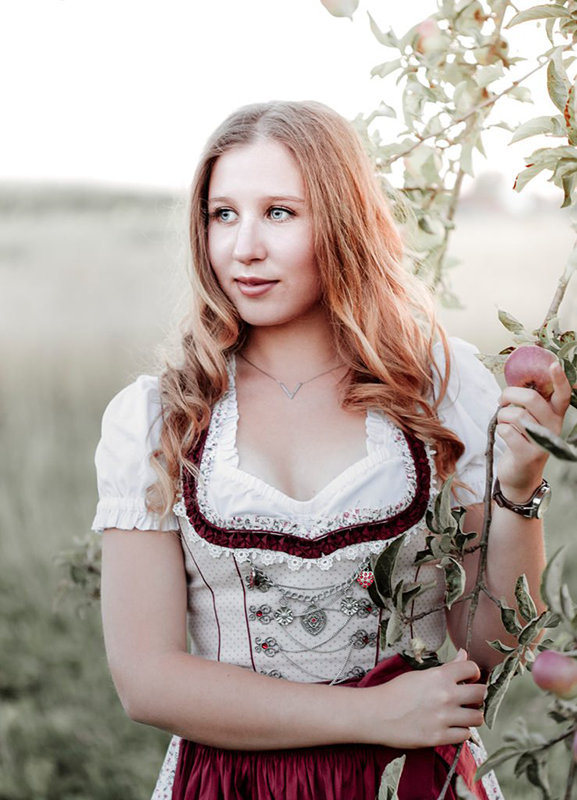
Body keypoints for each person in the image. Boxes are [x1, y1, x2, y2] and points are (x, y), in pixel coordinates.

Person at [91, 100, 572, 800]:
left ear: (342, 222)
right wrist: (370, 713)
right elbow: (146, 680)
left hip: (411, 780)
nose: (242, 248)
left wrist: (518, 491)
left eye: (279, 213)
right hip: (232, 783)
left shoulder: (440, 389)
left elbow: (489, 647)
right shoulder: (161, 415)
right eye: (223, 214)